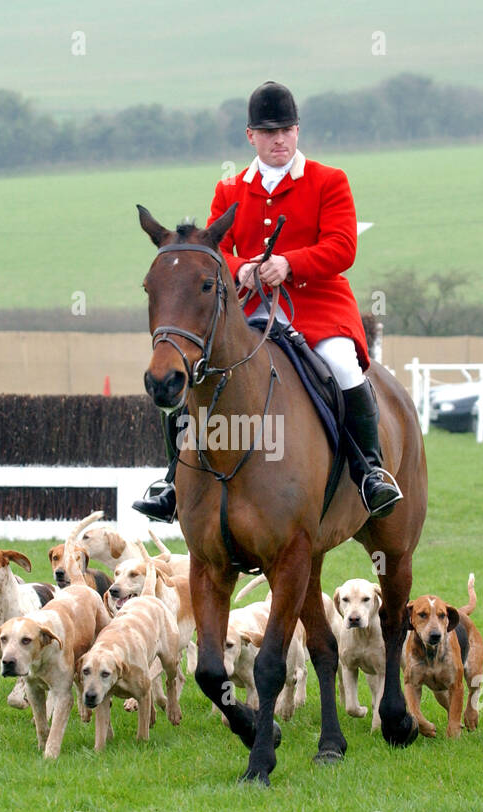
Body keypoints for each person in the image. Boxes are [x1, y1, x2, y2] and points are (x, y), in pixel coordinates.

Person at [133, 80, 403, 522]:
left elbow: (342, 246)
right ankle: (170, 481)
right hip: (250, 310)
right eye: (269, 132)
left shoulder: (329, 181)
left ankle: (370, 471)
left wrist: (290, 264)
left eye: (287, 131)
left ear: (297, 132)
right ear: (251, 136)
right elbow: (212, 250)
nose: (279, 140)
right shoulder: (230, 188)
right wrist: (240, 268)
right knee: (193, 364)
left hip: (318, 307)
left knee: (342, 365)